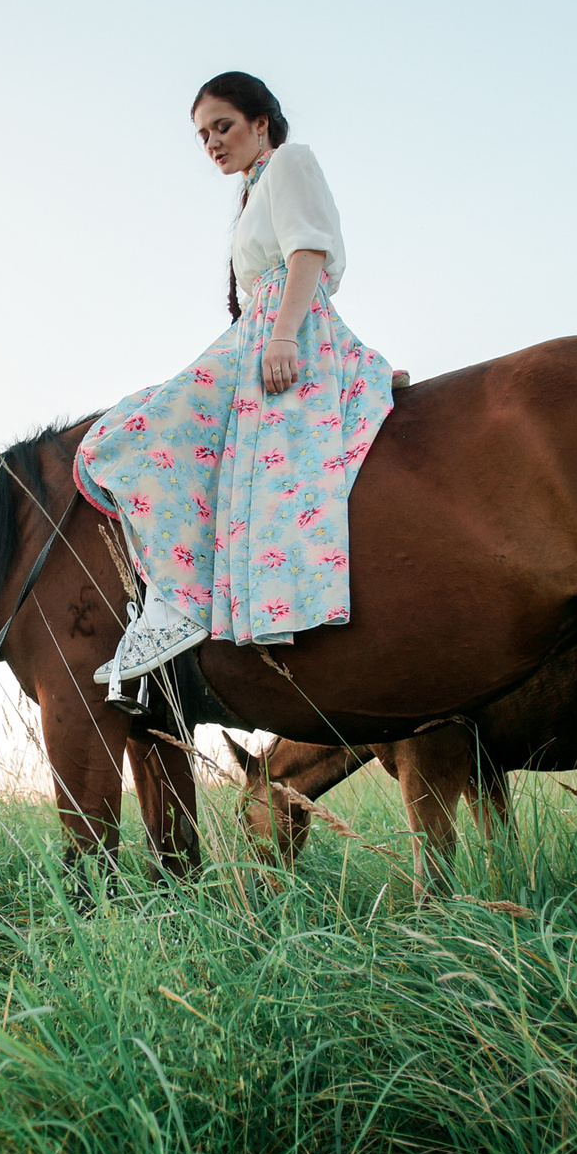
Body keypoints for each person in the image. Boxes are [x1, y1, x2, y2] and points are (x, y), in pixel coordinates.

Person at [76, 72, 396, 696]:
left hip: (283, 327)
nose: (212, 144)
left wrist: (283, 338)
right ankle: (175, 597)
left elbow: (308, 253)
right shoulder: (252, 191)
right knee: (153, 438)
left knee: (138, 431)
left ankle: (177, 607)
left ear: (260, 123)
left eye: (222, 127)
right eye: (202, 136)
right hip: (259, 329)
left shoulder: (290, 163)